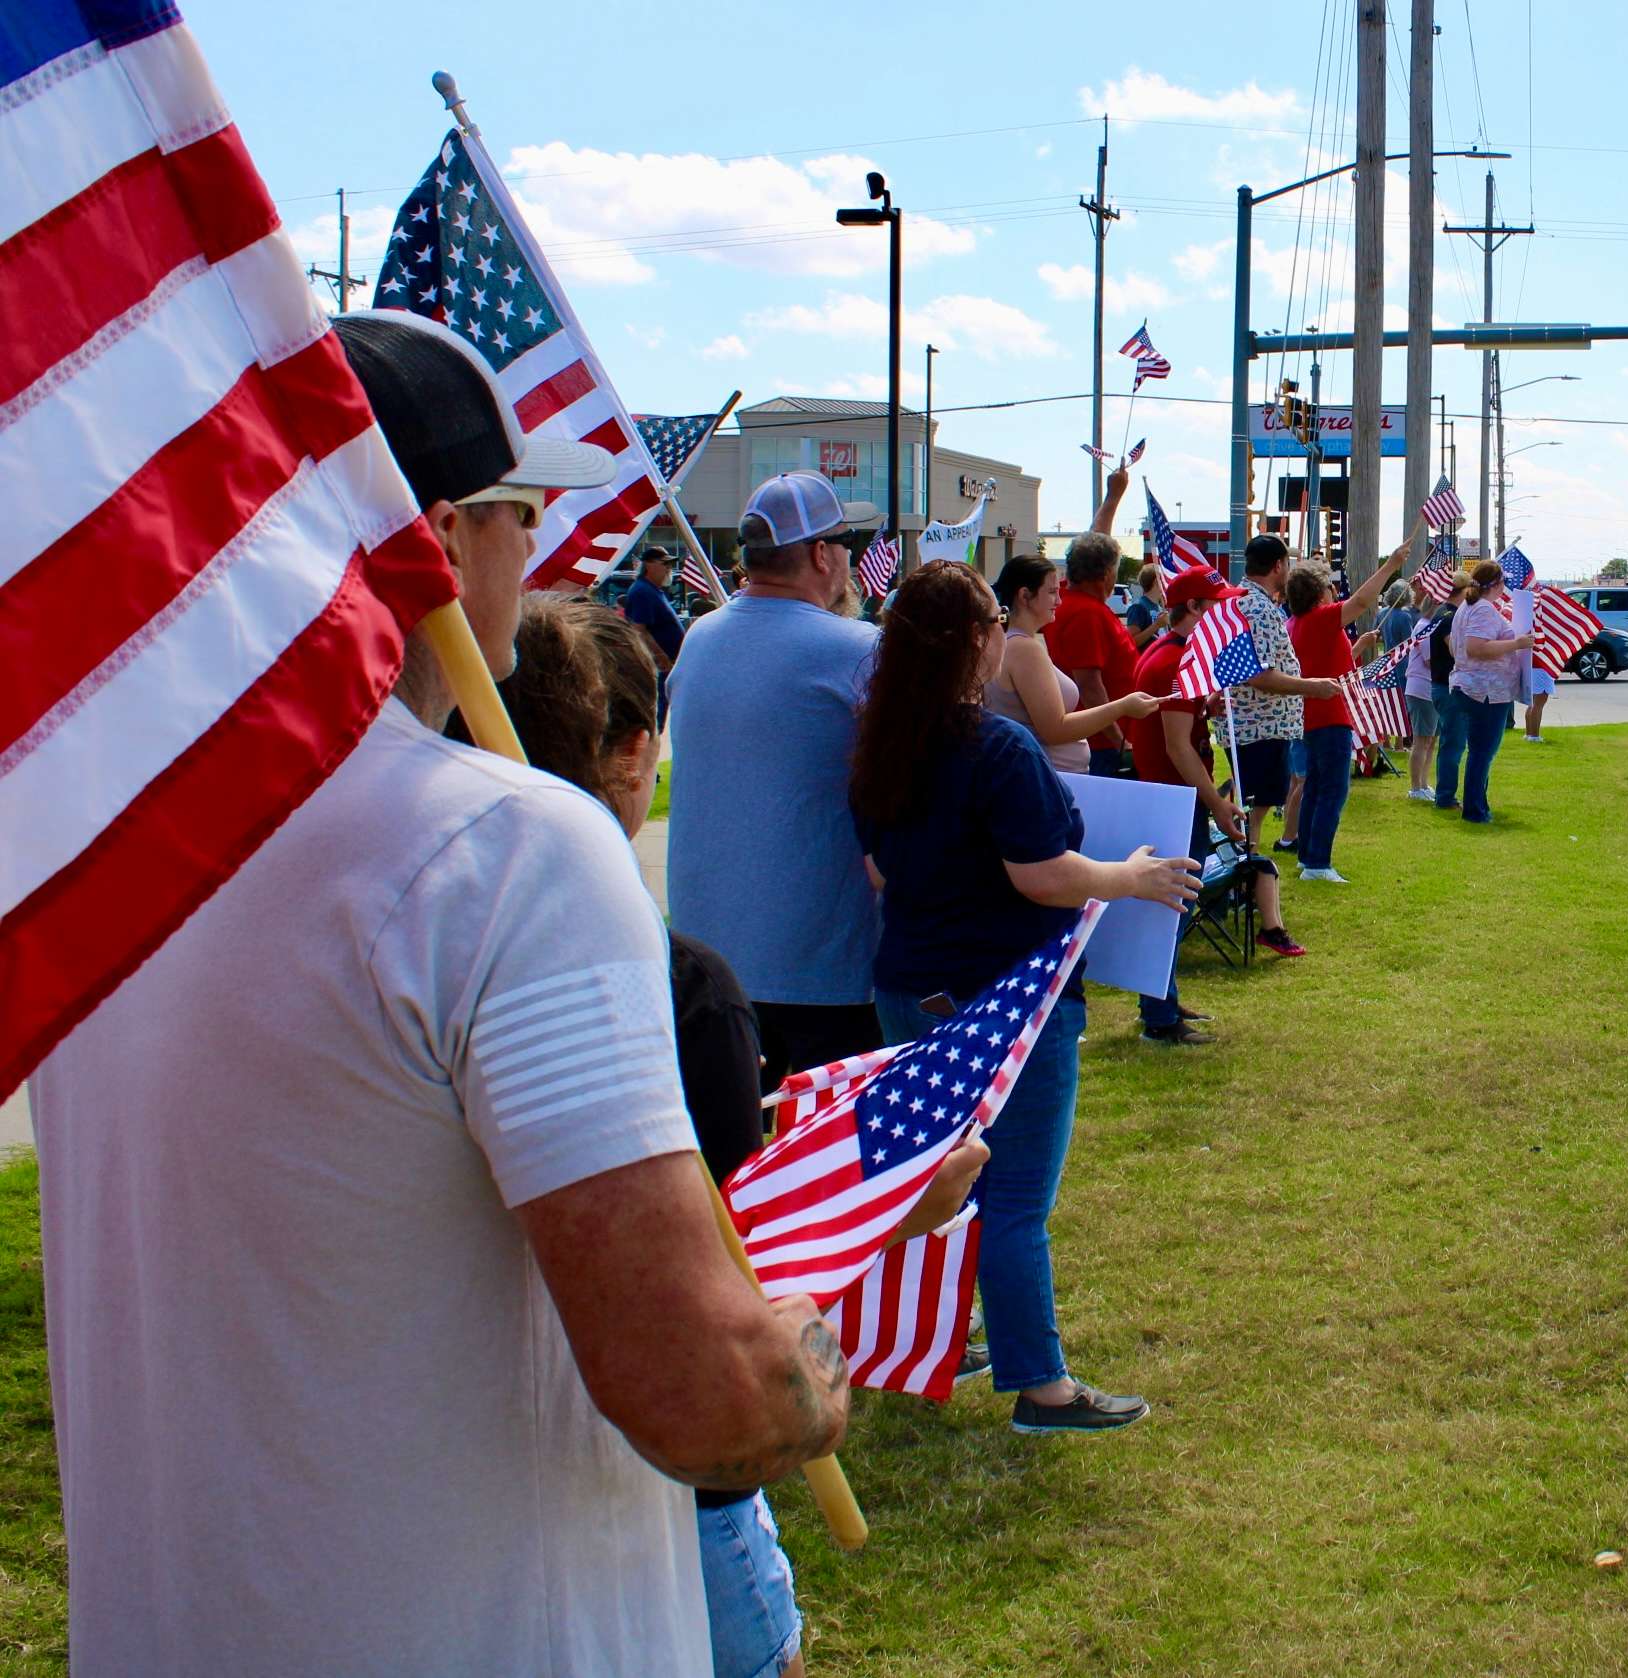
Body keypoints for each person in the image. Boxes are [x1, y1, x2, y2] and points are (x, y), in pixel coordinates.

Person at [28, 309, 850, 1674]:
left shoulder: (102, 861)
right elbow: (703, 1400)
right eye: (522, 511)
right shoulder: (505, 846)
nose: (536, 557)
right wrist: (801, 1368)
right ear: (445, 537)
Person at [489, 594, 987, 1678]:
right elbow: (716, 1258)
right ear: (630, 753)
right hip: (670, 1489)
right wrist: (891, 1208)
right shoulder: (678, 995)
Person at [849, 562, 1201, 1432]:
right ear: (978, 643)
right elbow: (1042, 875)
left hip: (909, 986)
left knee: (938, 1184)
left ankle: (942, 1342)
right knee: (1012, 1200)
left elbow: (877, 869)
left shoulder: (879, 741)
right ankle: (1041, 1387)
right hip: (1011, 1001)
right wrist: (1128, 876)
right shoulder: (992, 747)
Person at [669, 471, 885, 1085]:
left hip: (708, 960)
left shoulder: (698, 638)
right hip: (823, 967)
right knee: (832, 1164)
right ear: (821, 554)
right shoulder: (860, 648)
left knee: (728, 1166)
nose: (849, 560)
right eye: (846, 545)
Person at [1128, 570, 1309, 968]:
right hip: (1174, 799)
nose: (1228, 612)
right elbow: (1177, 747)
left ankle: (1164, 1006)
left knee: (1175, 905)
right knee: (1173, 908)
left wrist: (1202, 706)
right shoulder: (1174, 660)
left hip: (1171, 796)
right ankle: (1159, 1014)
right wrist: (1216, 803)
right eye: (1218, 604)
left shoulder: (1170, 653)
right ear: (1193, 608)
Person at [1283, 531, 1413, 883]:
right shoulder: (1320, 618)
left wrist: (1356, 649)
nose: (1334, 593)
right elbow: (1360, 601)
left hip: (1310, 716)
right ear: (1317, 594)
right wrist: (1391, 565)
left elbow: (1328, 663)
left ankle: (1307, 856)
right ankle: (1317, 864)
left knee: (1315, 787)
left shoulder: (1294, 623)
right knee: (1332, 791)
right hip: (1328, 717)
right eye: (1328, 587)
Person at [988, 555, 1162, 772]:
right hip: (1049, 779)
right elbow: (1055, 729)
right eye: (1052, 592)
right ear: (1025, 595)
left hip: (1041, 775)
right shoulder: (1024, 649)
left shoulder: (1009, 641)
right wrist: (1123, 707)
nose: (1059, 601)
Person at [1233, 533, 1344, 856]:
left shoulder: (1244, 599)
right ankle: (1246, 871)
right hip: (1260, 724)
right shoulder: (1259, 607)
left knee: (1259, 804)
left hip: (1259, 723)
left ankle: (1246, 869)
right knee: (1255, 808)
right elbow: (1260, 675)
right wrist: (1313, 686)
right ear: (1278, 565)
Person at [1436, 558, 1532, 822]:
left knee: (1477, 750)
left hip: (1469, 686)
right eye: (1503, 582)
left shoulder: (1466, 608)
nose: (1505, 587)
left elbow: (1457, 649)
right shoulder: (1483, 609)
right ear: (1496, 584)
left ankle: (1478, 805)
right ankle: (1475, 810)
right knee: (1482, 752)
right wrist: (1517, 643)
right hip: (1485, 691)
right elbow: (1476, 647)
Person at [1043, 528, 1140, 777]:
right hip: (1103, 745)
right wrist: (1120, 742)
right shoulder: (1087, 614)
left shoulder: (1069, 598)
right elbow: (1090, 686)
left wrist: (1113, 497)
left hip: (1100, 739)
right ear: (1107, 574)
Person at [1403, 581, 1450, 801]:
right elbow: (1431, 660)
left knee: (1431, 740)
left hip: (1430, 688)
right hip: (1420, 688)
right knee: (1421, 740)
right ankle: (1415, 787)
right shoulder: (1423, 627)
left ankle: (1424, 782)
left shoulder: (1431, 626)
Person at [622, 543, 685, 701]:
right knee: (660, 711)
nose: (669, 568)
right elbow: (639, 630)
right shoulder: (642, 591)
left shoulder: (653, 590)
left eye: (670, 564)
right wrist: (661, 658)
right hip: (659, 667)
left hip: (668, 664)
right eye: (665, 563)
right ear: (648, 565)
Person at [1125, 561, 1167, 647]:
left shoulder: (1159, 607)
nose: (1166, 583)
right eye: (1163, 578)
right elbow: (1131, 642)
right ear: (1156, 582)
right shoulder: (1138, 607)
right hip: (1145, 659)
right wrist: (1156, 625)